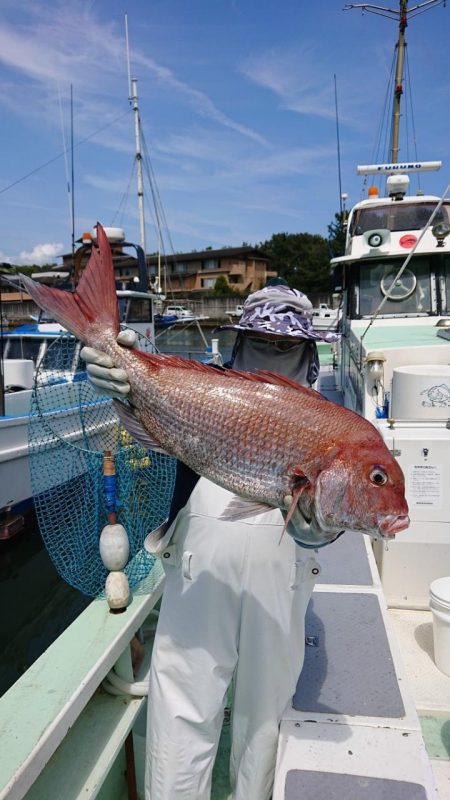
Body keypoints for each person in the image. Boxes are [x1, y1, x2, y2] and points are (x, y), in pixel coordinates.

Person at [81, 283, 338, 800]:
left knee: (183, 713)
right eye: (268, 344)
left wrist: (130, 382)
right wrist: (125, 372)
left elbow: (165, 459)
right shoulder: (326, 416)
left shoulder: (207, 390)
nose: (273, 357)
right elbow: (324, 524)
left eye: (280, 347)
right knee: (262, 720)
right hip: (278, 579)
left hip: (202, 566)